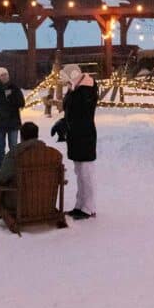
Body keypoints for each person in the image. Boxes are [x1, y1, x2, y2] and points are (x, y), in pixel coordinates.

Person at [60, 64, 99, 220]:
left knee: (86, 174)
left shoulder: (86, 91)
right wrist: (64, 122)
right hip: (76, 135)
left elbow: (79, 113)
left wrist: (67, 123)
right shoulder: (77, 89)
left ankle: (89, 208)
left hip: (84, 136)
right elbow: (70, 111)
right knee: (79, 173)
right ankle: (80, 205)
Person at [0, 122, 44, 208]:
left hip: (19, 202)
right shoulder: (49, 154)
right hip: (43, 200)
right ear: (37, 135)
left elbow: (1, 178)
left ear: (21, 137)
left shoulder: (15, 154)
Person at [0, 67, 24, 170]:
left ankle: (14, 168)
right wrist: (2, 97)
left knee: (14, 147)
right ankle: (1, 168)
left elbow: (21, 103)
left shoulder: (15, 88)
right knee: (0, 147)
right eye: (2, 75)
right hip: (0, 122)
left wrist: (11, 98)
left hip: (13, 122)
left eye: (6, 74)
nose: (5, 77)